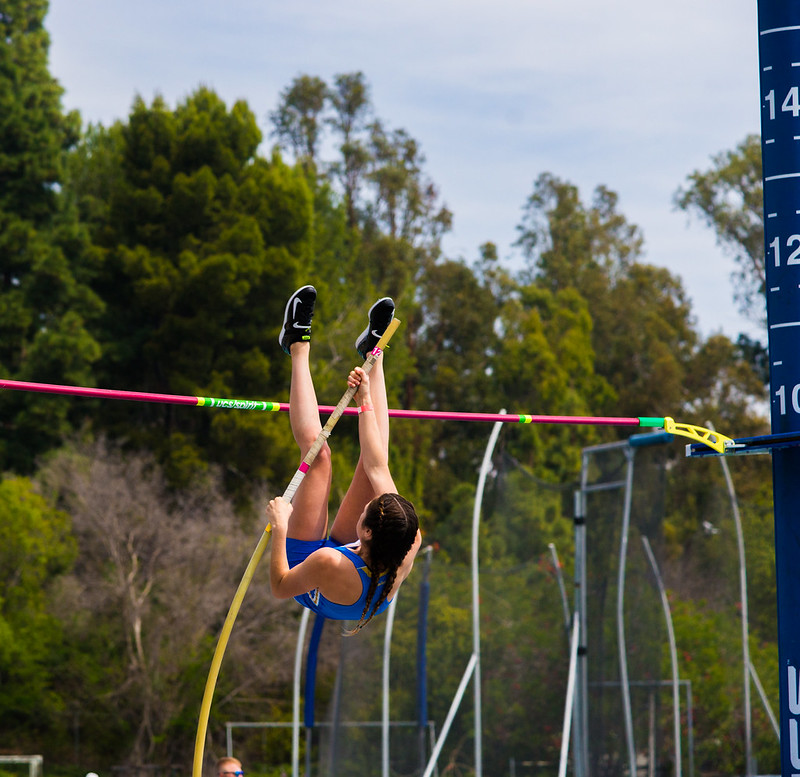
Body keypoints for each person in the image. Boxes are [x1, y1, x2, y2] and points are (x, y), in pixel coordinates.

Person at [267, 285, 422, 632]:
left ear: (365, 531)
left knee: (318, 456)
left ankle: (296, 342)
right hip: (360, 565)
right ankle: (373, 352)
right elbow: (376, 462)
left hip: (310, 575)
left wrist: (280, 526)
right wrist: (364, 397)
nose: (368, 504)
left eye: (370, 509)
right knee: (373, 471)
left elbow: (279, 586)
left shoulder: (325, 562)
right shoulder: (408, 538)